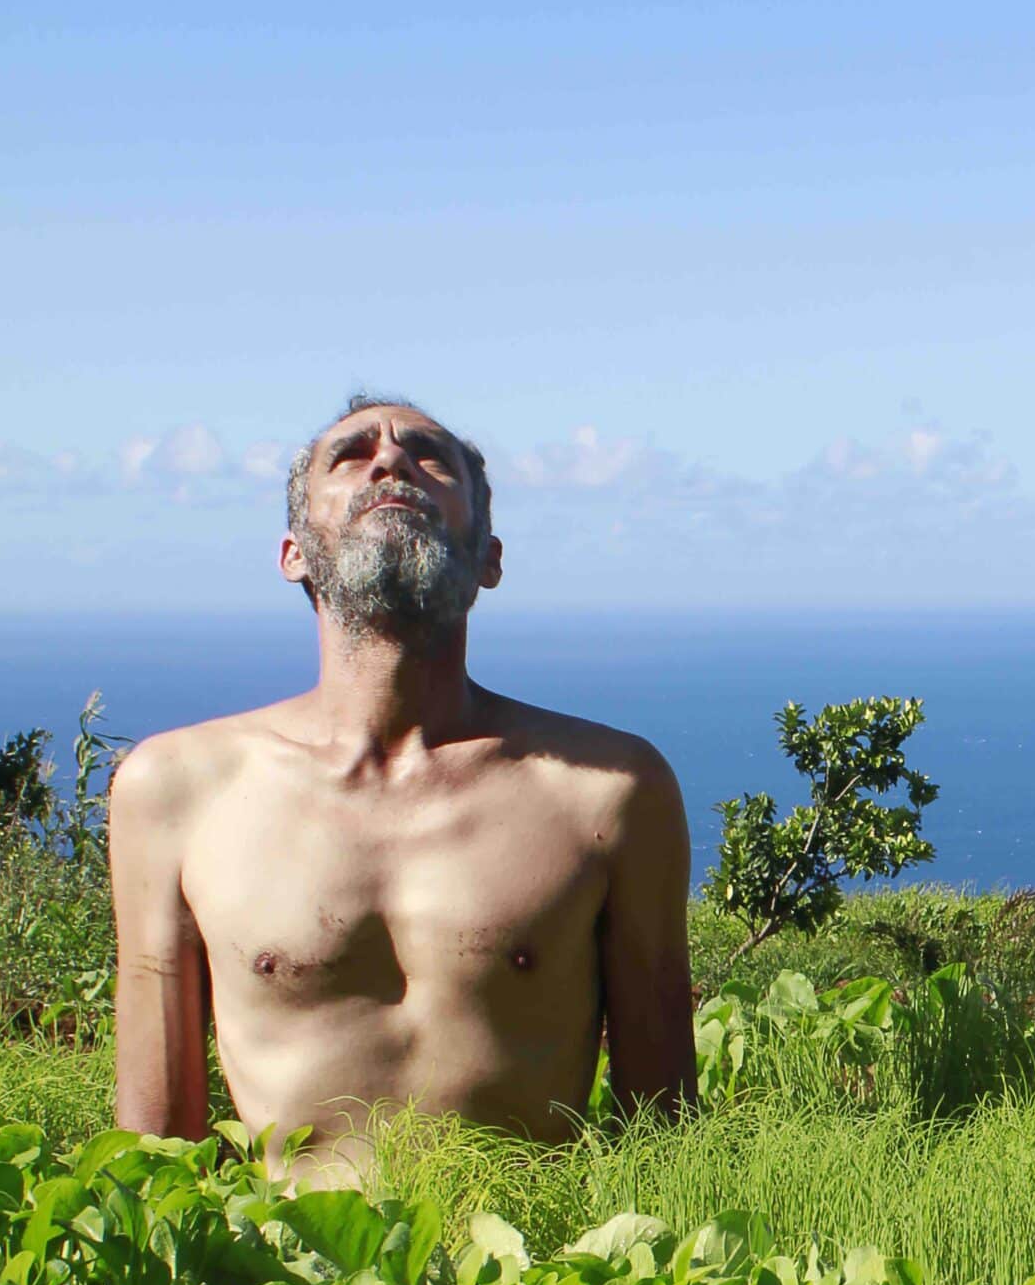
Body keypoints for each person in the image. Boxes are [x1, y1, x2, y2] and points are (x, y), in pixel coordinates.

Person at [110, 396, 696, 1175]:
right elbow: (155, 1147)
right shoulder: (176, 789)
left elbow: (664, 1131)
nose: (390, 461)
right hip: (278, 1284)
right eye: (350, 455)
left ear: (488, 556)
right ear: (293, 553)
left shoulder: (608, 791)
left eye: (430, 456)